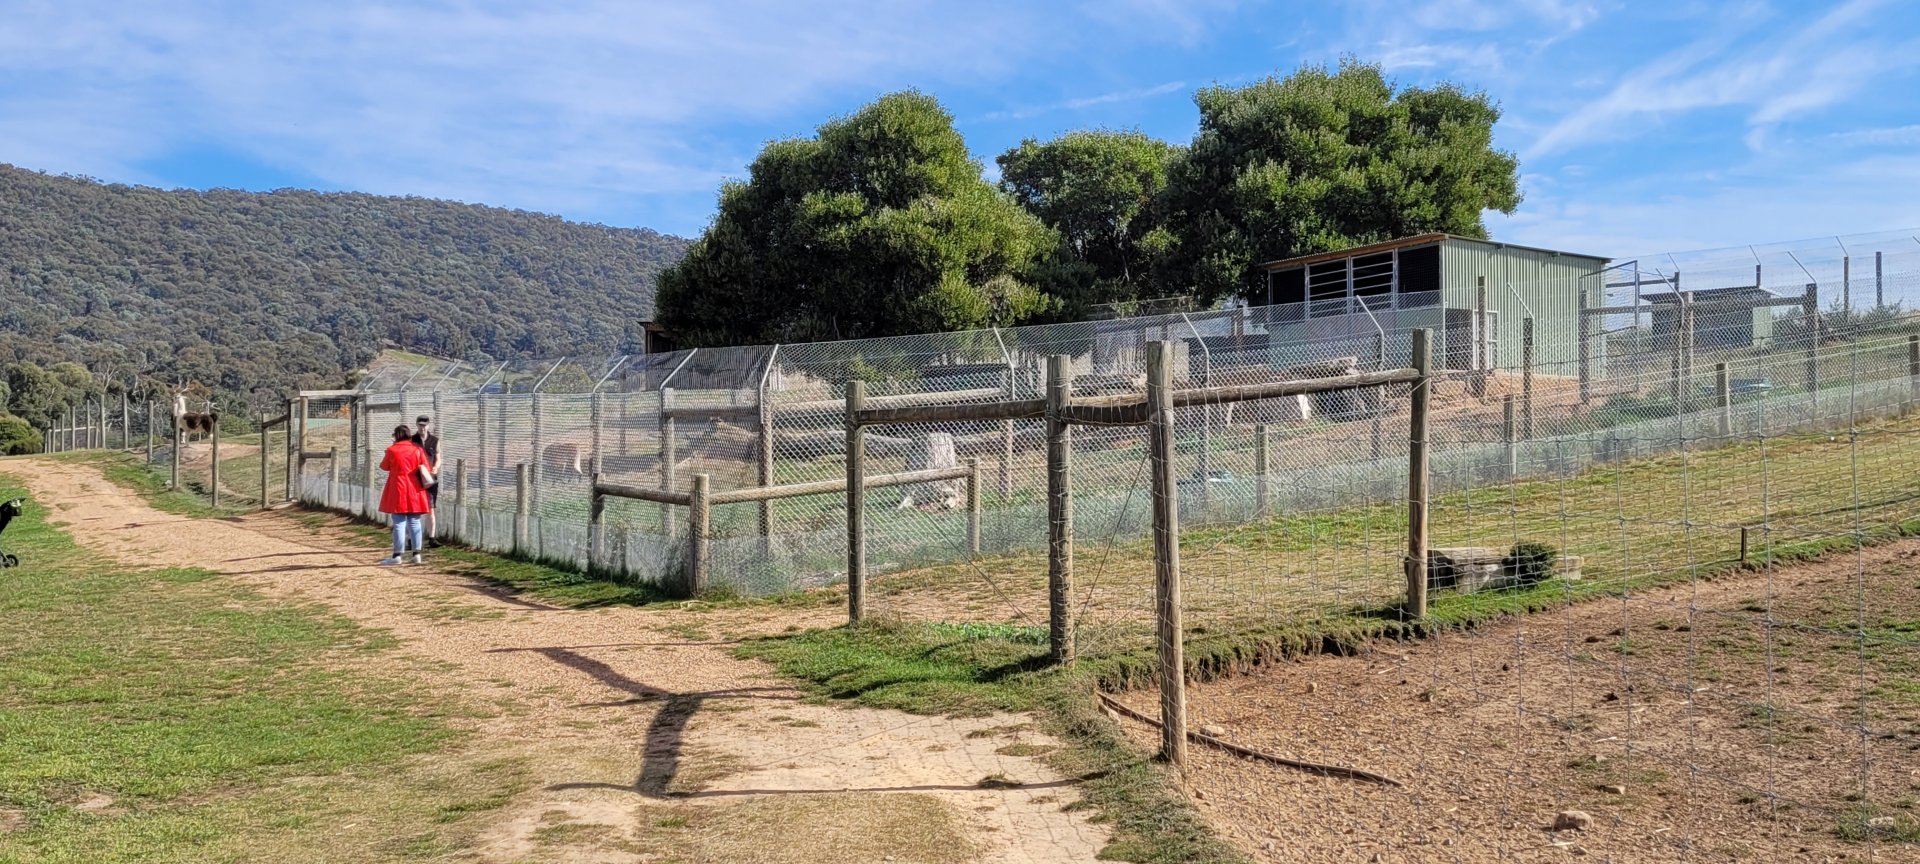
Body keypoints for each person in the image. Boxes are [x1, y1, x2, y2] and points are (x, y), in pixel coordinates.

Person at [378, 424, 433, 565]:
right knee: (415, 522)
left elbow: (384, 466)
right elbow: (426, 467)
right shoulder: (418, 450)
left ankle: (397, 555)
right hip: (415, 489)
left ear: (396, 436)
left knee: (399, 523)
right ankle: (417, 554)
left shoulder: (392, 450)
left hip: (398, 488)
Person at [412, 415, 442, 546]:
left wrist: (436, 467)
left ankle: (432, 538)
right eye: (420, 425)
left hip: (430, 479)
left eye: (424, 425)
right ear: (417, 425)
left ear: (428, 425)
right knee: (414, 510)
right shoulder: (412, 440)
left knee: (431, 508)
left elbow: (438, 457)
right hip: (415, 479)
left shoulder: (434, 440)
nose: (422, 427)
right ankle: (411, 539)